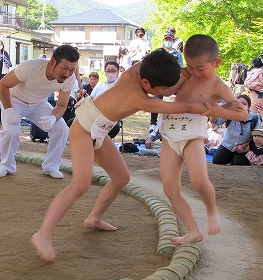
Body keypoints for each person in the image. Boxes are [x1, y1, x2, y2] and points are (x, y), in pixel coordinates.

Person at [30, 48, 246, 262]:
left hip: (99, 130)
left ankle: (94, 218)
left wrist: (186, 70)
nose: (167, 92)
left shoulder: (135, 70)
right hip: (83, 128)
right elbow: (188, 106)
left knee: (122, 178)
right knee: (80, 184)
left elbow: (158, 65)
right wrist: (224, 110)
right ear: (147, 85)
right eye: (163, 89)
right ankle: (43, 233)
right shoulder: (141, 99)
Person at [157, 34, 249, 245]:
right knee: (170, 189)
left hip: (193, 137)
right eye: (191, 66)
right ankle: (193, 231)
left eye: (201, 68)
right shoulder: (187, 75)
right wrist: (182, 74)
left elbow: (243, 113)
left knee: (199, 180)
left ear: (216, 63)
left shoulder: (218, 85)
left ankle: (211, 209)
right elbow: (167, 91)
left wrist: (217, 110)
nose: (196, 72)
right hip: (170, 135)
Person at [0, 45, 78, 179]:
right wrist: (9, 109)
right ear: (52, 62)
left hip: (39, 103)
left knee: (61, 128)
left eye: (72, 70)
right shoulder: (31, 67)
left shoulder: (70, 79)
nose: (67, 74)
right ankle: (6, 165)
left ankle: (51, 166)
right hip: (14, 101)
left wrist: (52, 118)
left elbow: (61, 106)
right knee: (11, 131)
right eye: (65, 68)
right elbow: (2, 84)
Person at [147, 31, 185, 138]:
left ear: (173, 41)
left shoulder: (177, 54)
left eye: (170, 39)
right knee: (156, 99)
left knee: (178, 100)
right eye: (166, 39)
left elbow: (181, 67)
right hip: (160, 80)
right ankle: (153, 123)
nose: (168, 41)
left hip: (173, 80)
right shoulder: (159, 52)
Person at [211, 94, 262, 165]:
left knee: (239, 163)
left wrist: (243, 146)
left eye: (244, 104)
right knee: (217, 160)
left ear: (249, 107)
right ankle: (231, 158)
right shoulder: (229, 113)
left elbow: (258, 137)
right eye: (238, 103)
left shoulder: (254, 119)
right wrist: (215, 110)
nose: (241, 106)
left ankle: (236, 159)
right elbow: (214, 122)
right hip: (227, 145)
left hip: (243, 149)